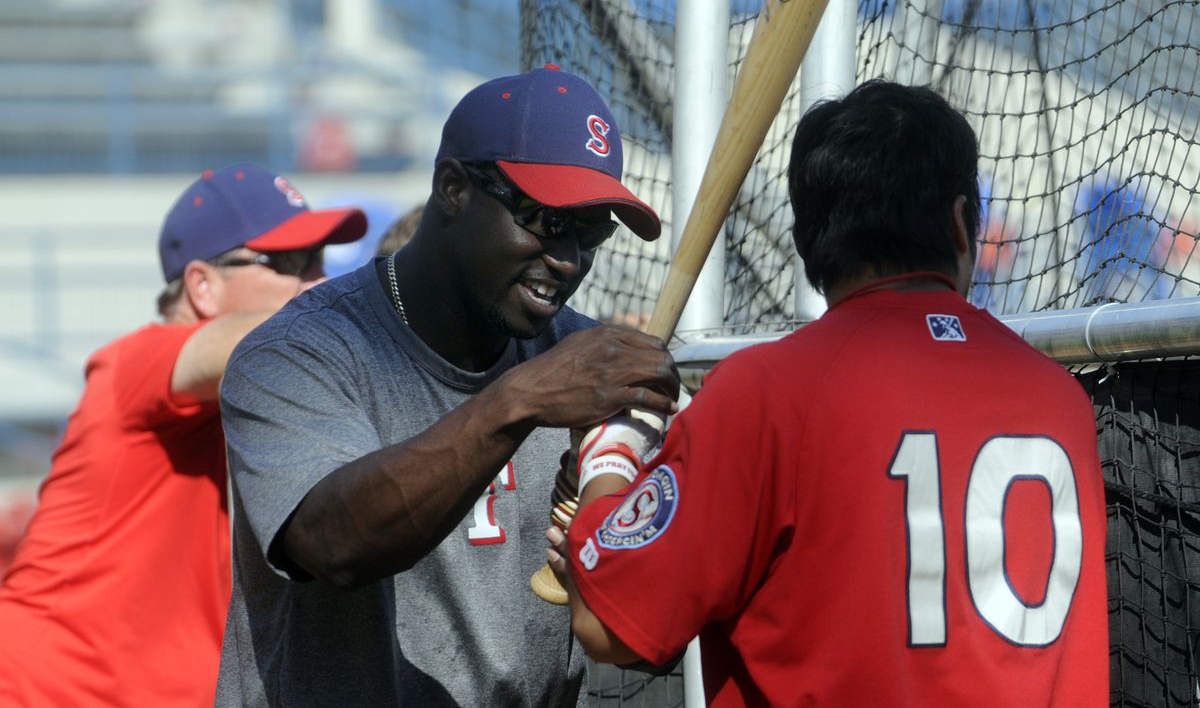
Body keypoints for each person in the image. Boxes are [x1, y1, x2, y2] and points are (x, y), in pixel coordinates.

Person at [550, 80, 1109, 707]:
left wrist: (612, 451)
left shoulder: (766, 393)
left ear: (809, 243)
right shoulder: (1061, 398)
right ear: (959, 224)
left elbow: (607, 622)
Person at [215, 65, 680, 707]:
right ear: (454, 188)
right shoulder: (298, 351)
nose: (568, 258)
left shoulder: (590, 369)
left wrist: (621, 566)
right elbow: (333, 545)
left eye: (590, 231)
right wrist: (521, 400)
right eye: (545, 220)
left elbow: (652, 637)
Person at [0, 163, 367, 708]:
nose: (317, 282)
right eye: (290, 262)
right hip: (52, 689)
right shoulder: (136, 360)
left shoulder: (277, 391)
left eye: (319, 261)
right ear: (201, 285)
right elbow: (243, 346)